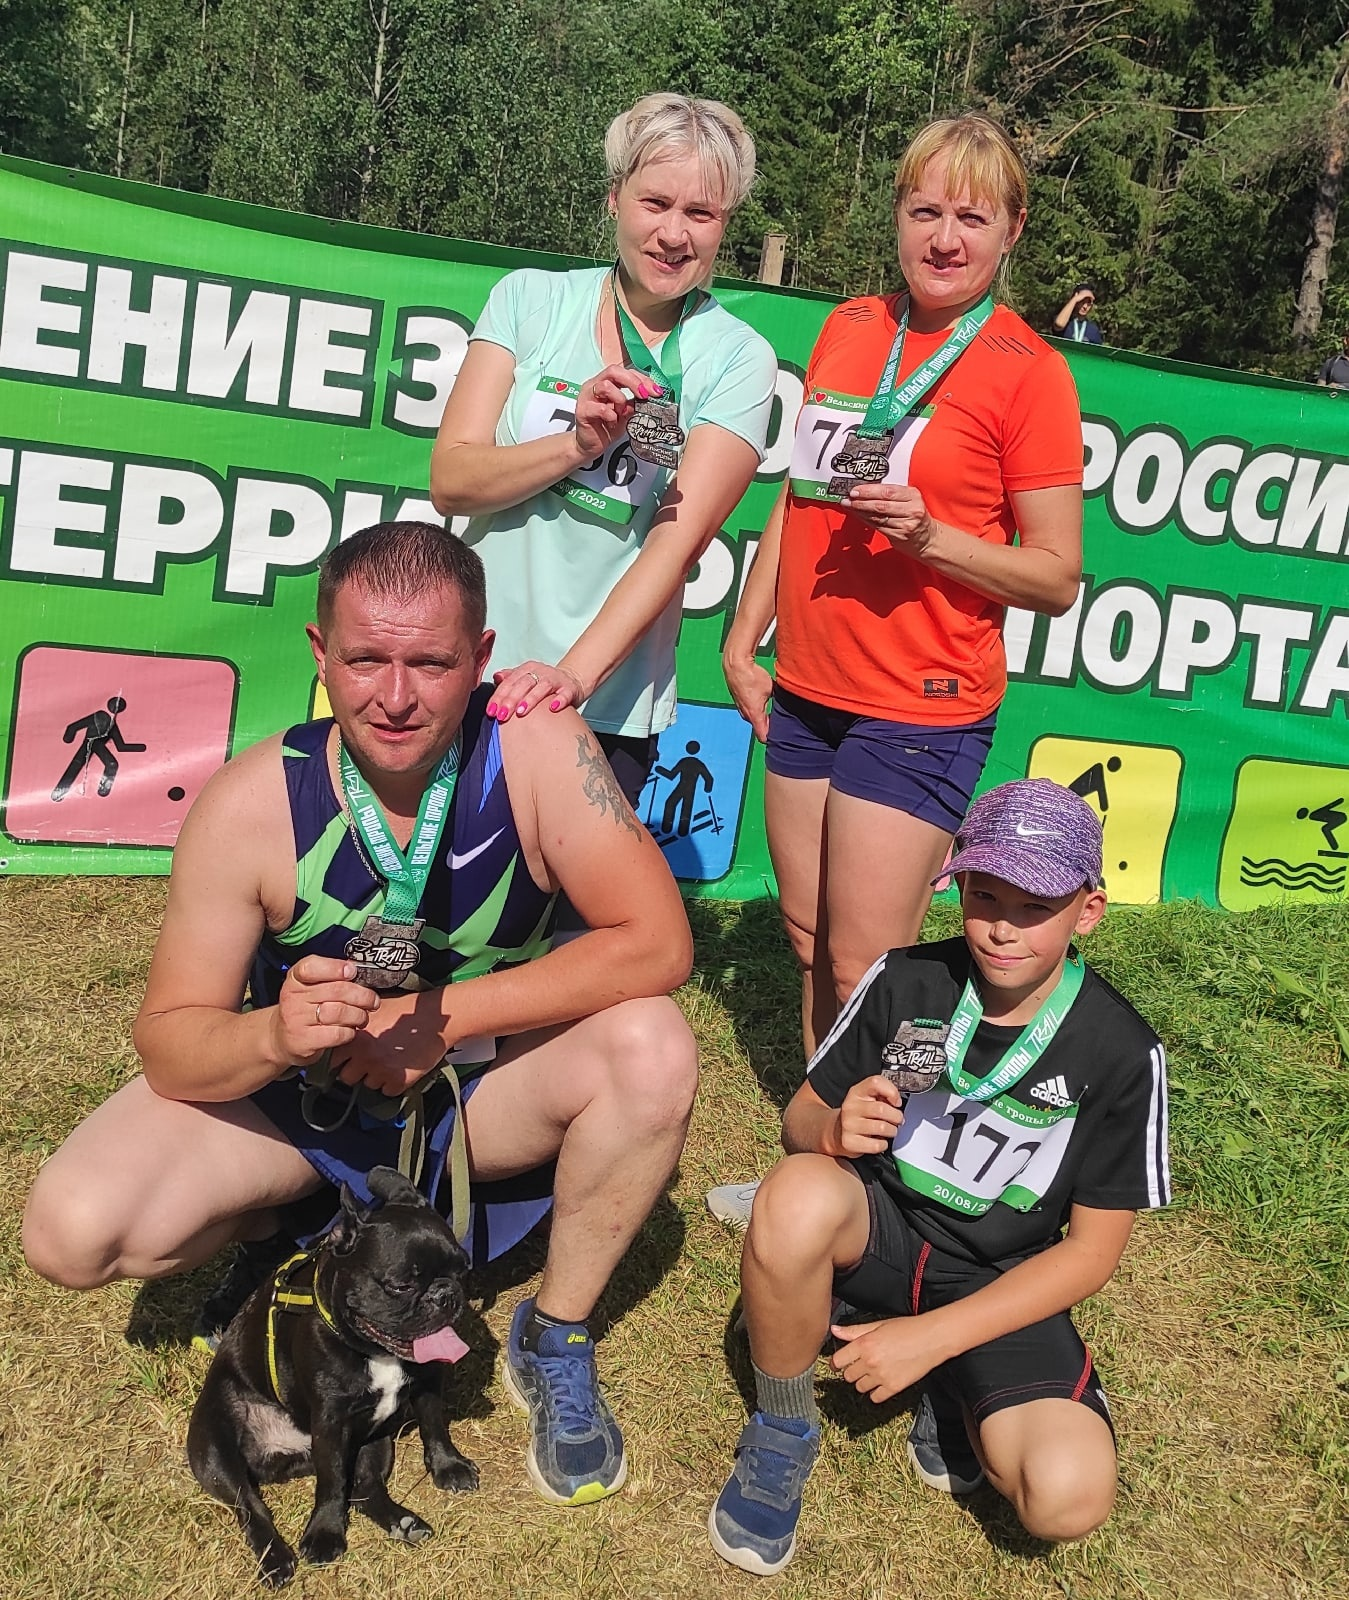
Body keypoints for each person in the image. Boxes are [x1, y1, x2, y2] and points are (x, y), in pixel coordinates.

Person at [22, 520, 698, 1509]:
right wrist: (270, 1034)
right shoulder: (252, 802)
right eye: (365, 659)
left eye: (431, 663)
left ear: (481, 656)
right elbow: (170, 1041)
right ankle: (294, 1226)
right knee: (71, 1231)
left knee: (653, 1046)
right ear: (319, 652)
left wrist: (442, 1016)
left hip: (473, 1094)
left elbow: (658, 944)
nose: (395, 696)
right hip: (307, 1098)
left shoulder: (539, 750)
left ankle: (554, 1333)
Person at [709, 114, 1084, 1229]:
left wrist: (930, 538)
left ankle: (877, 1195)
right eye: (925, 210)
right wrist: (743, 635)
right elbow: (799, 498)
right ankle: (824, 1153)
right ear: (897, 217)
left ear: (1011, 231)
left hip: (920, 706)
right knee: (803, 939)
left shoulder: (1028, 374)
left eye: (971, 216)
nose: (944, 237)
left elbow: (1054, 575)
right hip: (808, 687)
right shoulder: (849, 328)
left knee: (869, 964)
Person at [707, 779, 1171, 1574]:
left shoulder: (1122, 1050)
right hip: (879, 1232)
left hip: (999, 1273)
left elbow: (1091, 1255)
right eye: (983, 896)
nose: (1001, 927)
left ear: (1087, 910)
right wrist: (831, 1130)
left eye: (1034, 907)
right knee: (794, 1195)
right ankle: (781, 1426)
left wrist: (932, 1339)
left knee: (1066, 1497)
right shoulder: (907, 979)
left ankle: (953, 1377)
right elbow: (799, 1121)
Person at [430, 92, 777, 807]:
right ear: (614, 198)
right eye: (655, 203)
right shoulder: (529, 300)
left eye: (700, 213)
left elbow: (675, 544)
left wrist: (572, 679)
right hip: (468, 668)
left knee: (569, 887)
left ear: (724, 225)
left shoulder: (739, 359)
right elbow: (451, 480)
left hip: (604, 701)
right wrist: (575, 444)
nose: (673, 234)